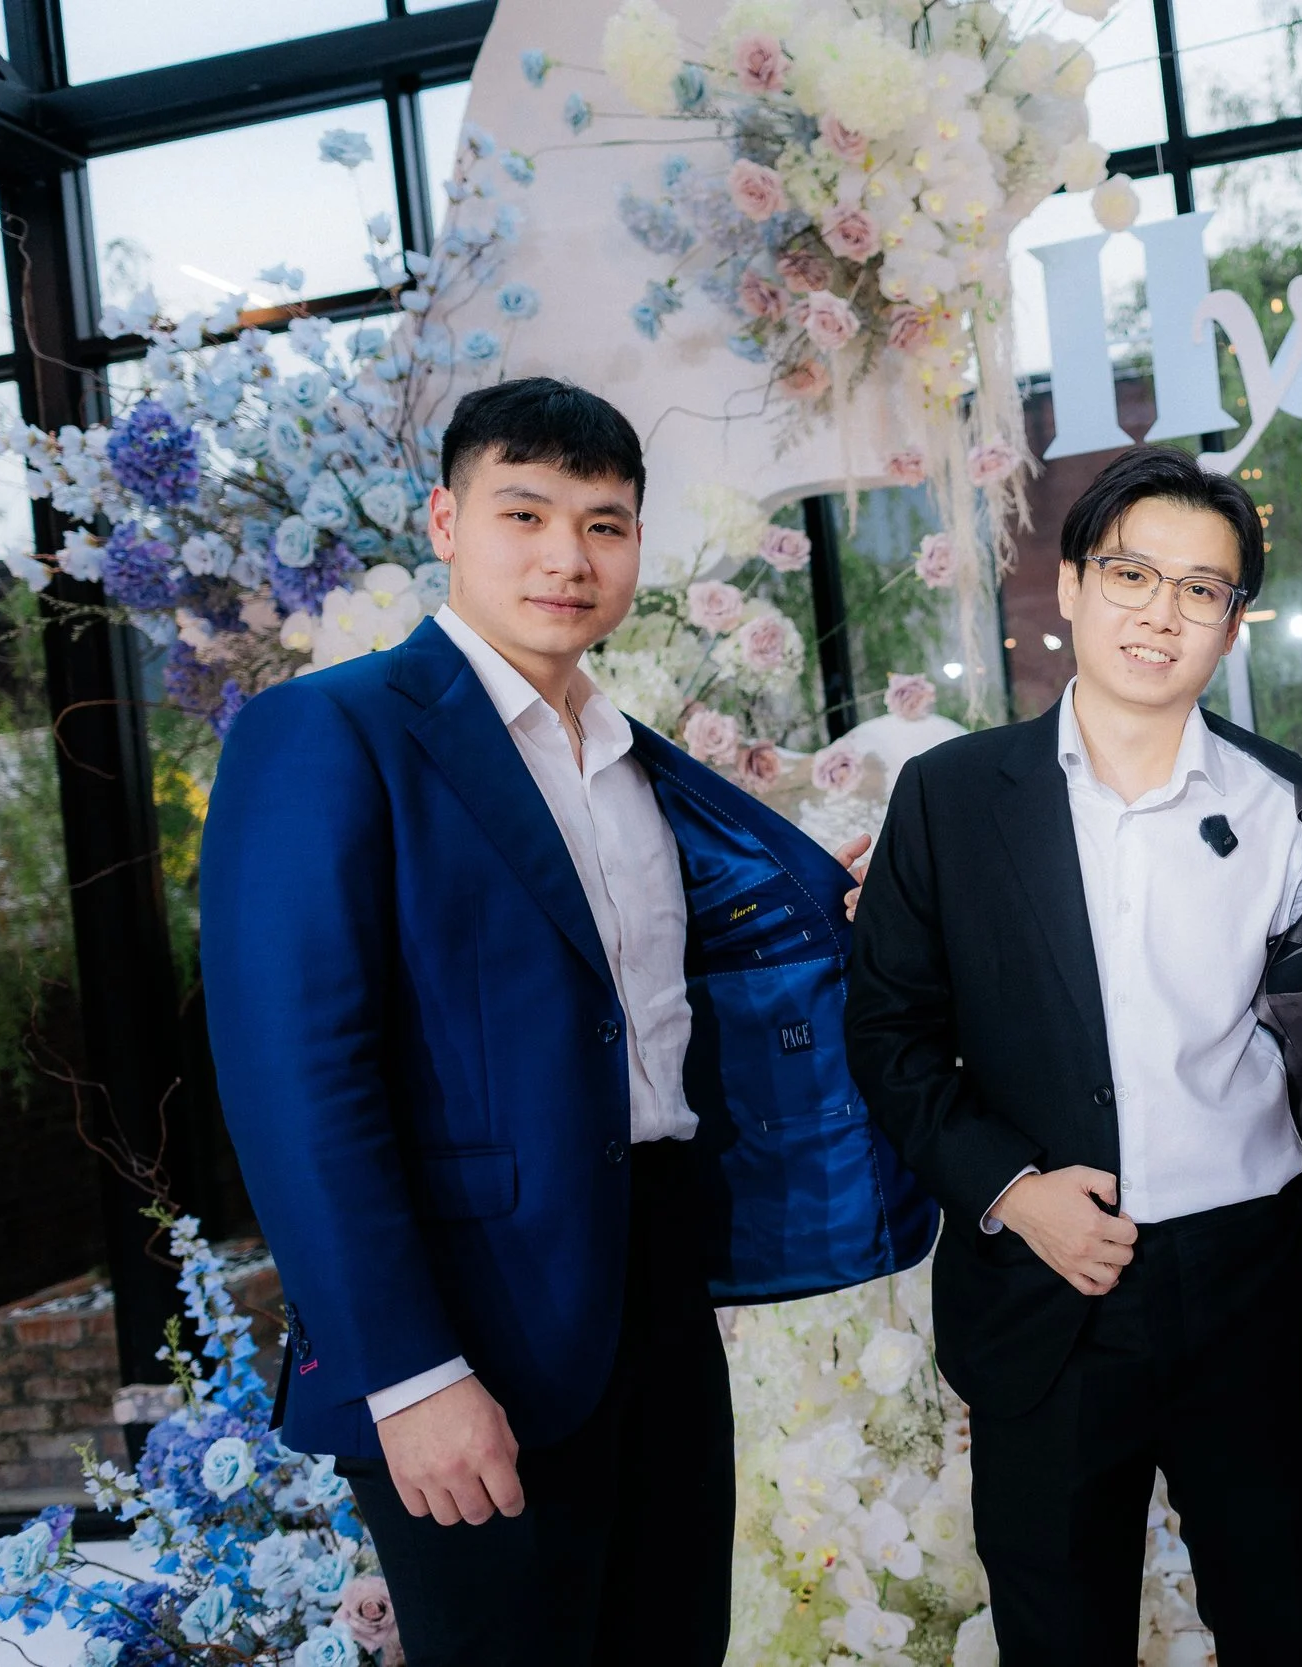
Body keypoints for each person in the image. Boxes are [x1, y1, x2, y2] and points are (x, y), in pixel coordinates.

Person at [201, 377, 934, 1667]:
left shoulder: (633, 759)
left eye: (604, 523)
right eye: (524, 512)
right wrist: (409, 1375)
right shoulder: (330, 731)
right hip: (461, 1318)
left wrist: (862, 914)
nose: (566, 555)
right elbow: (294, 1079)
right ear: (443, 519)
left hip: (654, 1282)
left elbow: (716, 976)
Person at [843, 445, 1302, 1667]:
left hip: (1249, 1285)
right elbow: (888, 1033)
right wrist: (1012, 1190)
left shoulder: (1294, 808)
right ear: (1069, 585)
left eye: (1201, 590)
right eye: (1132, 574)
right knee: (1059, 1637)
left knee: (1280, 1633)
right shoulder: (951, 799)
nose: (1160, 612)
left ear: (1231, 626)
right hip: (1049, 1283)